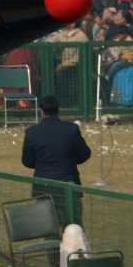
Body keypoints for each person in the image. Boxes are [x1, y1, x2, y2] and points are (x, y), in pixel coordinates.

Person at [21, 95, 91, 227]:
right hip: (68, 183)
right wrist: (69, 160)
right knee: (73, 227)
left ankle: (51, 247)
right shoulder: (71, 129)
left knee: (49, 227)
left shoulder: (32, 132)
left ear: (41, 111)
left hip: (43, 184)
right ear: (58, 110)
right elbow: (85, 154)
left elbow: (27, 161)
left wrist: (42, 163)